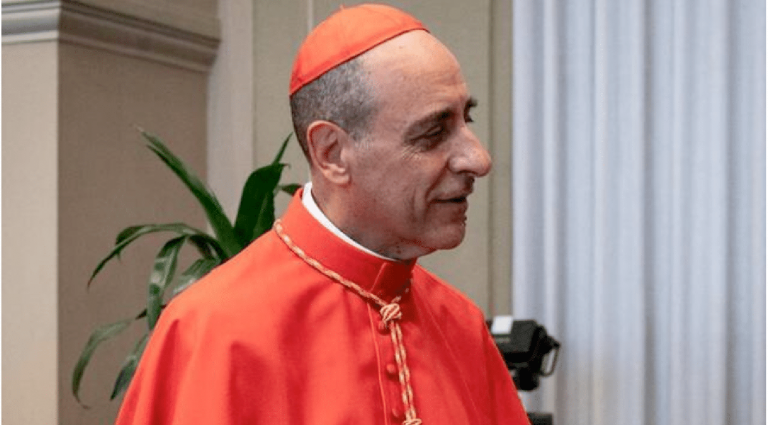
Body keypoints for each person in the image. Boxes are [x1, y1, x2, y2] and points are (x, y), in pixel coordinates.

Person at [114, 4, 530, 425]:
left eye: (466, 119)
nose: (478, 158)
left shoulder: (462, 325)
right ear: (332, 153)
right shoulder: (211, 331)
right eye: (434, 132)